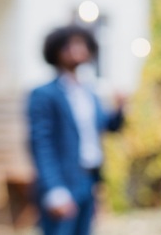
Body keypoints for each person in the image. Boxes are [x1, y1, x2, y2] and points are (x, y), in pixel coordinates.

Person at [27, 26, 124, 235]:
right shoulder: (43, 94)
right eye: (69, 44)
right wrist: (55, 190)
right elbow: (41, 144)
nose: (77, 49)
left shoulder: (90, 92)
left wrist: (121, 109)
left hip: (89, 180)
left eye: (82, 44)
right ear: (56, 51)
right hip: (63, 182)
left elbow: (108, 126)